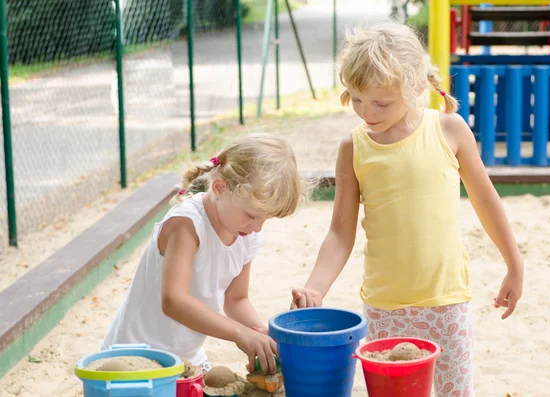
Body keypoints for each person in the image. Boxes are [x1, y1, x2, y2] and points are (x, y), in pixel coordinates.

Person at [290, 21, 524, 396]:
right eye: (356, 99)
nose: (366, 111)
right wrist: (316, 289)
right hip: (385, 307)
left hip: (447, 302)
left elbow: (486, 201)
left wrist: (514, 264)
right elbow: (340, 231)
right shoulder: (353, 149)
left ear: (416, 86)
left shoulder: (450, 130)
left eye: (380, 102)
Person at [102, 133, 305, 375]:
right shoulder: (187, 225)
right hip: (135, 355)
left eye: (266, 219)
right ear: (220, 188)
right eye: (251, 215)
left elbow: (236, 299)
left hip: (186, 357)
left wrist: (259, 335)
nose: (257, 228)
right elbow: (173, 301)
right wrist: (240, 334)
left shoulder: (245, 233)